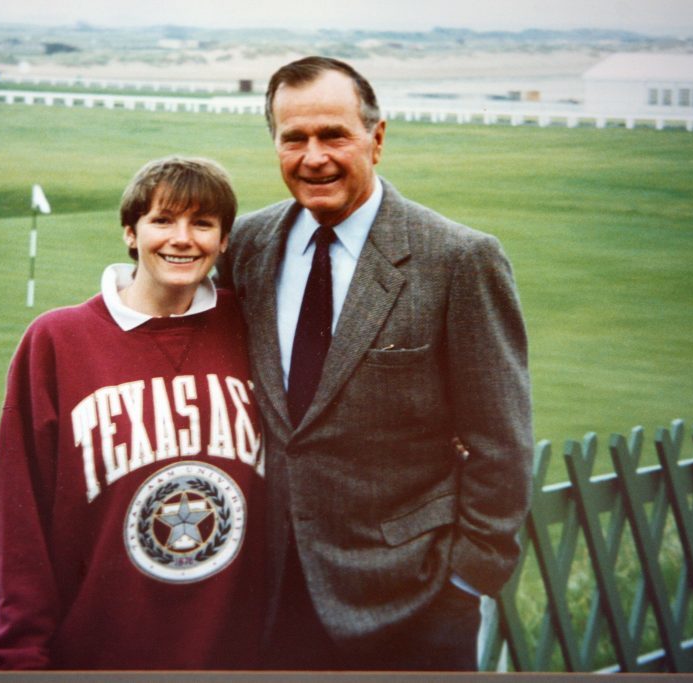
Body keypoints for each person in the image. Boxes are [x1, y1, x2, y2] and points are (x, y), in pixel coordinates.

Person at [215, 56, 533, 671]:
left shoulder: (459, 260)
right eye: (294, 139)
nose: (314, 157)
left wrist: (466, 582)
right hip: (271, 594)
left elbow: (503, 438)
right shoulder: (247, 246)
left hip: (413, 603)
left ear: (377, 138)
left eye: (334, 135)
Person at [0, 156, 266, 669]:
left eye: (203, 224)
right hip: (100, 656)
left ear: (224, 242)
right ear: (130, 233)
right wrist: (16, 656)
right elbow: (18, 519)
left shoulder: (254, 325)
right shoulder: (58, 342)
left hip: (238, 659)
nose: (182, 239)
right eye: (162, 220)